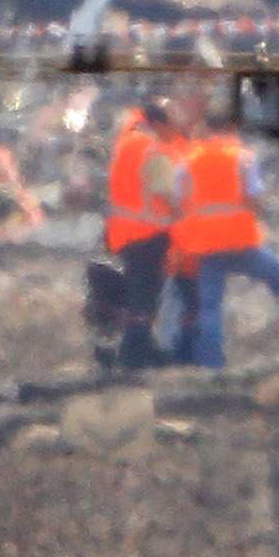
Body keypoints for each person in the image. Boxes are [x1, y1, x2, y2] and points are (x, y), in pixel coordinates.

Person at [172, 113, 279, 369]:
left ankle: (212, 363)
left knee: (210, 306)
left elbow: (178, 198)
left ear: (207, 128)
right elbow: (256, 198)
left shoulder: (189, 160)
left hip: (206, 243)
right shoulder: (242, 157)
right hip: (241, 240)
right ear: (231, 127)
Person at [96, 99, 174, 367]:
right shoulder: (152, 149)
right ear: (159, 124)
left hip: (123, 234)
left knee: (136, 295)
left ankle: (137, 349)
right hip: (149, 233)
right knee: (144, 298)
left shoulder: (125, 144)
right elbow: (166, 190)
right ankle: (135, 354)